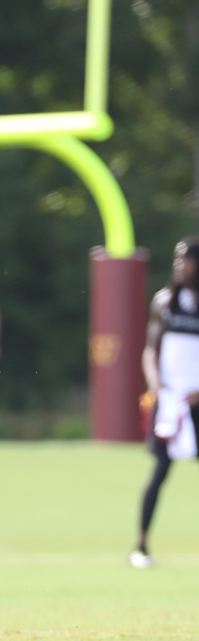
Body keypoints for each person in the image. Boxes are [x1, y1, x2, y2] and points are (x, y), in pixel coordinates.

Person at [130, 237, 199, 569]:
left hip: (196, 402)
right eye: (178, 259)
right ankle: (141, 545)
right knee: (159, 472)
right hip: (170, 403)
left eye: (187, 260)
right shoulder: (165, 301)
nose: (180, 265)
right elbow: (150, 350)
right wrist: (157, 385)